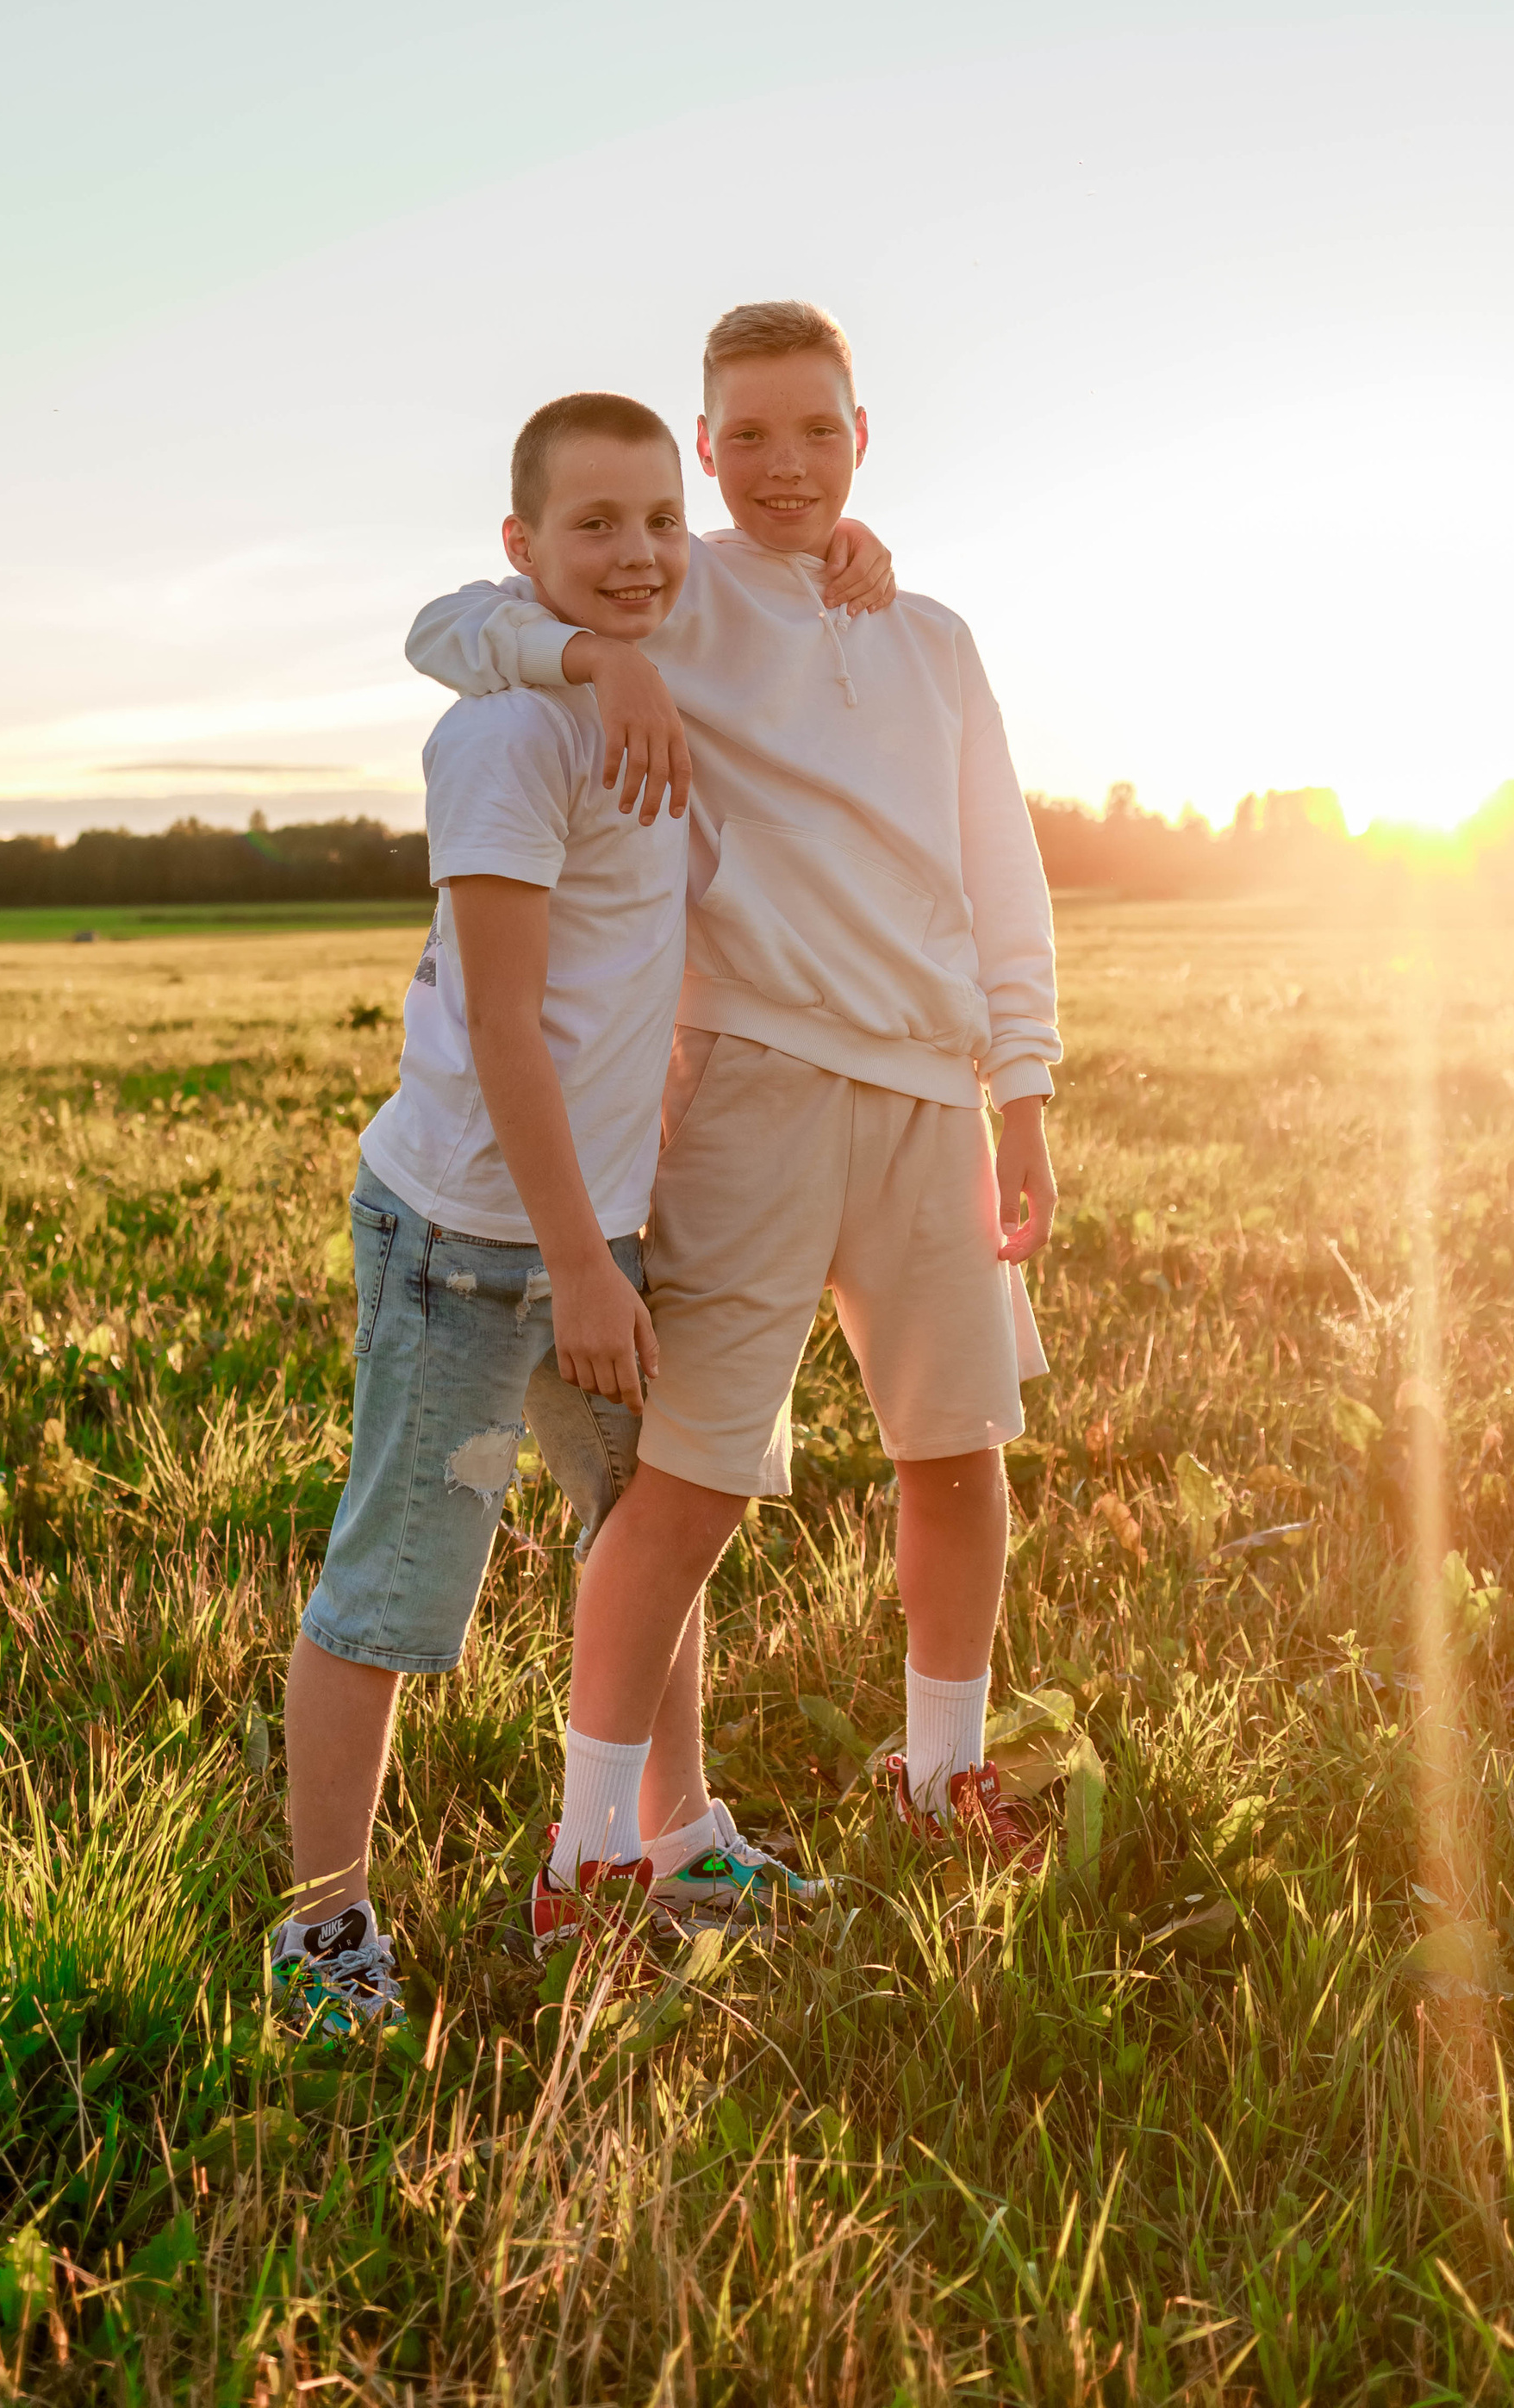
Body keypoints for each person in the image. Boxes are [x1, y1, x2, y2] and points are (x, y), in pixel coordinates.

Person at [407, 298, 1061, 1887]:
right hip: (755, 1084)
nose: (786, 464)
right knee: (695, 1481)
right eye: (749, 435)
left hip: (931, 1103)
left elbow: (1003, 870)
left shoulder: (935, 637)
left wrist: (1023, 1087)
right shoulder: (667, 602)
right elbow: (443, 628)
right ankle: (591, 1858)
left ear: (861, 438)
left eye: (817, 430)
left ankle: (939, 1774)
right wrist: (595, 659)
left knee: (960, 1454)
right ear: (704, 451)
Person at [274, 389, 888, 2038]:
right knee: (395, 1592)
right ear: (522, 547)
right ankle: (321, 1924)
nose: (636, 557)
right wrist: (573, 1269)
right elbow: (501, 1030)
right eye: (592, 528)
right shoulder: (503, 737)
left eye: (657, 523)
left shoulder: (654, 680)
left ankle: (667, 1838)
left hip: (598, 1232)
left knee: (648, 1543)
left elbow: (739, 595)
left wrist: (842, 547)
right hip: (476, 1239)